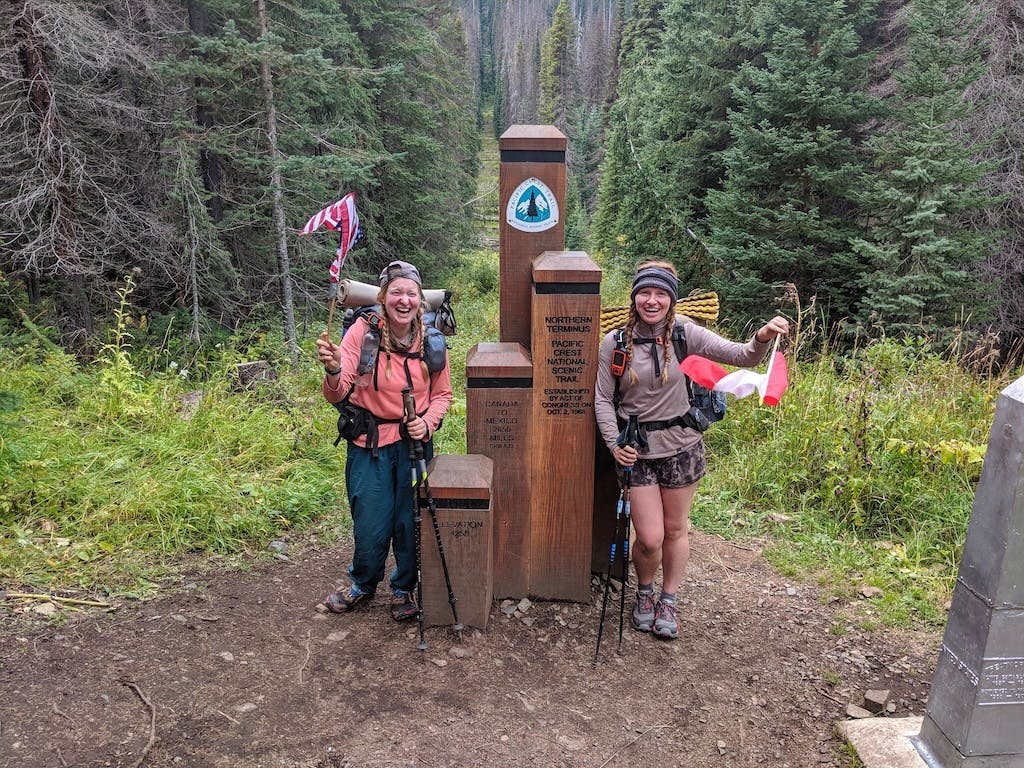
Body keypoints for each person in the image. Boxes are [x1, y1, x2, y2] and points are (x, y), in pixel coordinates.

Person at [594, 261, 789, 640]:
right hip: (637, 450)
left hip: (683, 446)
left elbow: (742, 356)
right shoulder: (615, 341)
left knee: (675, 528)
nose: (652, 300)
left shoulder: (686, 332)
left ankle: (667, 598)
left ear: (671, 298)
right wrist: (613, 442)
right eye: (645, 293)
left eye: (661, 294)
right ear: (634, 297)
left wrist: (762, 336)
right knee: (649, 537)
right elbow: (603, 398)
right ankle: (645, 590)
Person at [315, 260, 453, 621]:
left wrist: (427, 422)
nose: (403, 300)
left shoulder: (431, 339)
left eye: (411, 293)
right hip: (369, 443)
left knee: (410, 520)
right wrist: (332, 369)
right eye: (396, 293)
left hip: (414, 444)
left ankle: (403, 587)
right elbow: (339, 390)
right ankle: (363, 583)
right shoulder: (363, 332)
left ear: (420, 299)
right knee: (371, 519)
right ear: (383, 297)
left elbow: (443, 394)